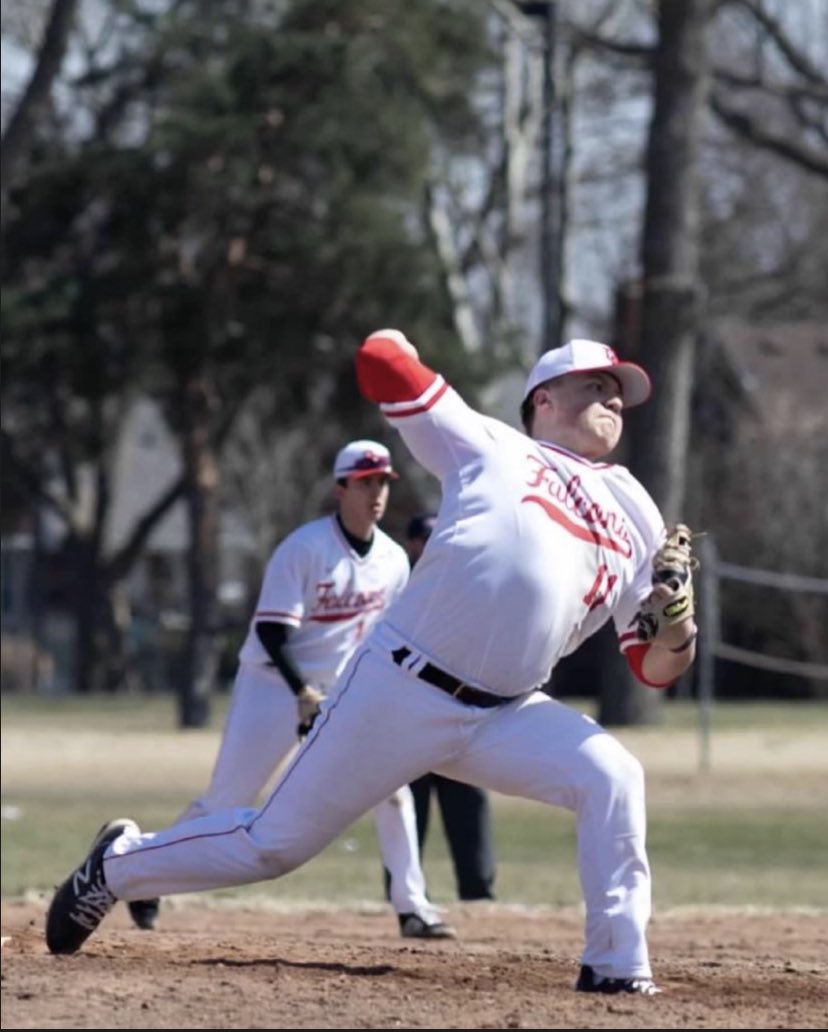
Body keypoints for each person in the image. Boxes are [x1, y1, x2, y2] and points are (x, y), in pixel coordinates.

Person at [46, 331, 700, 996]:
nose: (612, 399)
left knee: (613, 774)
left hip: (507, 713)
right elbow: (379, 365)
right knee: (272, 846)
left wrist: (677, 630)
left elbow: (652, 666)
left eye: (619, 393)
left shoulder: (636, 509)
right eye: (595, 384)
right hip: (403, 687)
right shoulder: (491, 443)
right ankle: (116, 866)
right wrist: (395, 341)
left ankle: (616, 966)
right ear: (544, 398)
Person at [128, 438, 454, 941]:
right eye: (366, 482)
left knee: (392, 793)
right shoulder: (305, 549)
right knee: (228, 800)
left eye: (383, 483)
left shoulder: (392, 559)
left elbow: (386, 639)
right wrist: (301, 689)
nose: (376, 494)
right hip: (272, 685)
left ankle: (413, 907)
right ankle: (142, 869)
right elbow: (271, 632)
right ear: (340, 487)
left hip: (343, 691)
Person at [404, 513, 496, 902]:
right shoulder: (402, 584)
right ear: (412, 544)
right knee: (408, 809)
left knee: (468, 804)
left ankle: (478, 893)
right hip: (408, 719)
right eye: (424, 536)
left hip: (459, 712)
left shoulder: (466, 585)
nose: (431, 543)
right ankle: (406, 895)